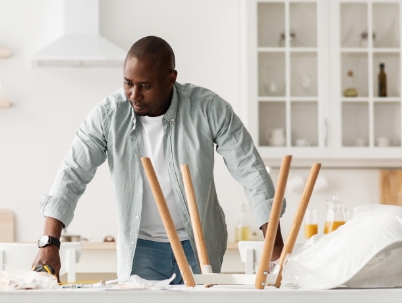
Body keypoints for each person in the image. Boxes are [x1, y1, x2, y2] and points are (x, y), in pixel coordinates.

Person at [32, 36, 285, 284]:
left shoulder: (208, 109)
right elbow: (72, 173)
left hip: (199, 244)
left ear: (171, 79)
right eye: (128, 83)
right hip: (141, 248)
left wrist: (275, 248)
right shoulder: (108, 114)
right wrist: (49, 242)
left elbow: (250, 170)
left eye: (145, 86)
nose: (134, 94)